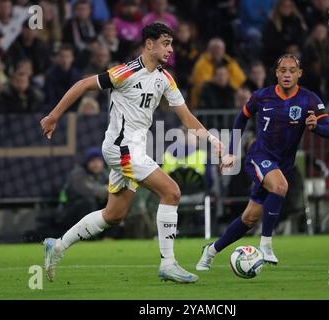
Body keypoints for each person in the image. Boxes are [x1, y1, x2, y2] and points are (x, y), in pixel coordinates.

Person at [40, 23, 223, 284]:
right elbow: (82, 85)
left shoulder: (164, 79)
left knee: (113, 215)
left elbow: (187, 118)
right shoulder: (126, 72)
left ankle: (57, 246)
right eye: (165, 43)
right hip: (121, 148)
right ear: (149, 44)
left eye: (171, 43)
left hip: (133, 149)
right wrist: (53, 116)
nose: (171, 49)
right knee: (171, 192)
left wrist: (213, 140)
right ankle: (168, 264)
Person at [196, 54, 329, 270]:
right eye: (282, 70)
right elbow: (240, 119)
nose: (287, 74)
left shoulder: (310, 99)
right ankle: (266, 244)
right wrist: (232, 151)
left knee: (249, 218)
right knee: (280, 186)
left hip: (283, 165)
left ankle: (211, 250)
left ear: (299, 74)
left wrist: (316, 126)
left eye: (292, 70)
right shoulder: (262, 97)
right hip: (258, 157)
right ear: (276, 73)